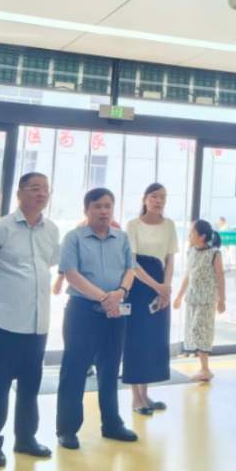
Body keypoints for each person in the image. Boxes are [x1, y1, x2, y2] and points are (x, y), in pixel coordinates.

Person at [0, 173, 60, 467]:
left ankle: (25, 439)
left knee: (30, 386)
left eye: (45, 189)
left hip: (38, 323)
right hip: (5, 322)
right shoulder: (1, 228)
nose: (42, 194)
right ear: (19, 194)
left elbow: (49, 264)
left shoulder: (52, 229)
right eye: (35, 188)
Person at [55, 188, 138, 449]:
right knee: (75, 369)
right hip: (82, 311)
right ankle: (67, 429)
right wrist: (105, 298)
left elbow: (130, 269)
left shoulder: (122, 238)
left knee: (110, 369)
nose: (104, 211)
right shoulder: (73, 237)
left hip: (115, 312)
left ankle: (112, 424)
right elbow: (71, 274)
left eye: (108, 206)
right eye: (98, 206)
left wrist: (120, 293)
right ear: (86, 210)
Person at [123, 183, 179, 414]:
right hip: (139, 287)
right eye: (154, 196)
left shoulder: (169, 225)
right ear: (144, 199)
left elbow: (170, 260)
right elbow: (132, 262)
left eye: (163, 197)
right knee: (136, 340)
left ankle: (145, 395)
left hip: (160, 286)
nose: (159, 201)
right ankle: (135, 397)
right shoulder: (133, 225)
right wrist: (158, 287)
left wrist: (165, 288)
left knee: (153, 340)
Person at [173, 220, 226, 382]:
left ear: (202, 236)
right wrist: (179, 296)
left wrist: (222, 300)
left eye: (192, 232)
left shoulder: (215, 253)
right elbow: (188, 275)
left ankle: (205, 369)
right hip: (192, 298)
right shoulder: (191, 252)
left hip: (207, 299)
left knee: (201, 330)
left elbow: (220, 277)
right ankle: (204, 368)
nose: (190, 235)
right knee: (193, 330)